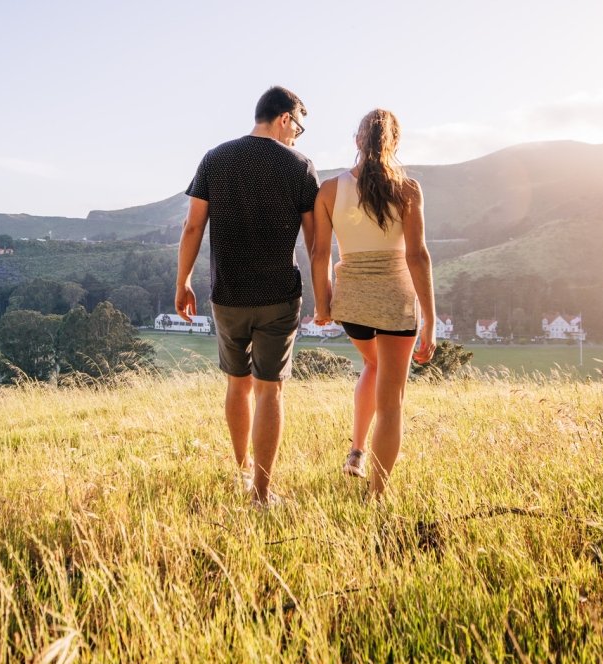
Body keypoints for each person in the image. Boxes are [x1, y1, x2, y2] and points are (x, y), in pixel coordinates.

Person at [176, 87, 319, 506]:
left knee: (237, 385)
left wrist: (183, 281)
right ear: (284, 119)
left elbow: (191, 228)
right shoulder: (299, 166)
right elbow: (315, 243)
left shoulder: (215, 158)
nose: (297, 136)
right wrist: (324, 295)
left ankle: (240, 472)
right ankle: (261, 492)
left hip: (228, 293)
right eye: (299, 127)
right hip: (278, 294)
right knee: (270, 390)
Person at [310, 108, 436, 498]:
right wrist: (430, 319)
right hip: (397, 302)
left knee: (372, 363)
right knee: (392, 399)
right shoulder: (409, 189)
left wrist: (322, 304)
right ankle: (377, 494)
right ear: (394, 143)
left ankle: (357, 451)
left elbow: (318, 253)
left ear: (357, 142)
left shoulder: (330, 190)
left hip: (353, 304)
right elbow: (417, 257)